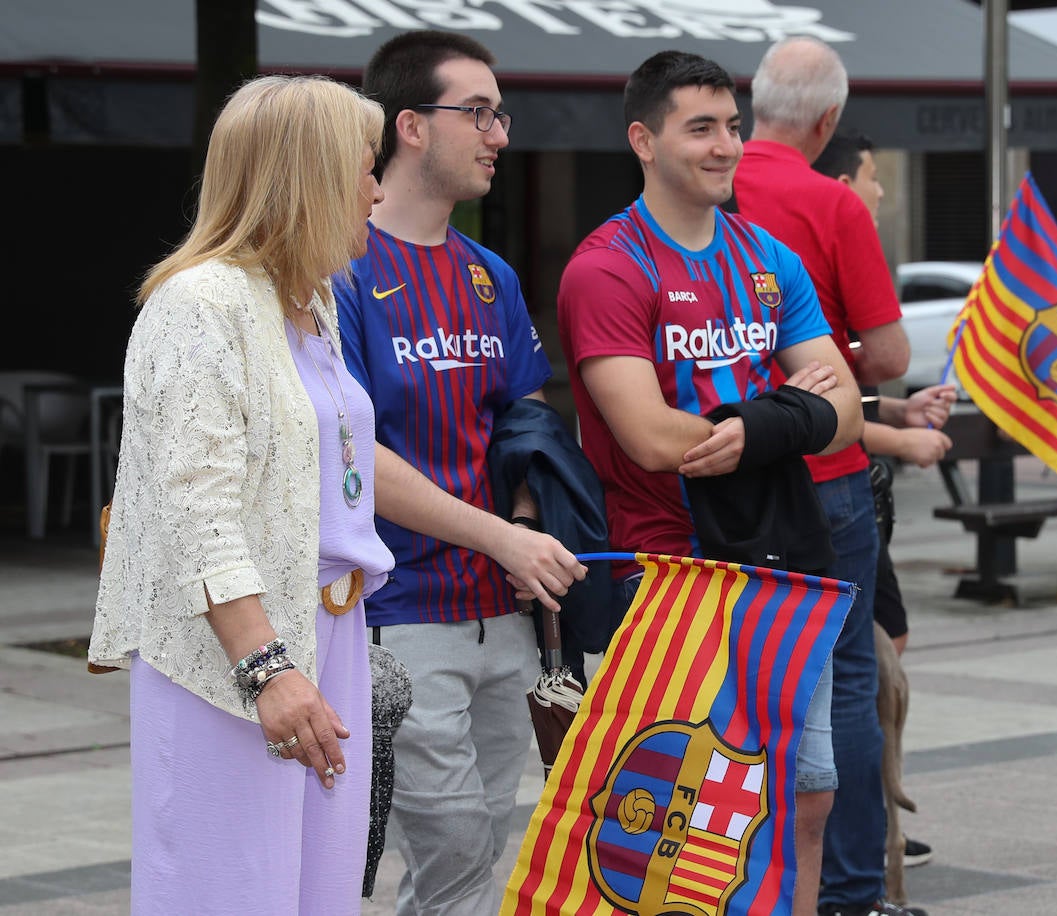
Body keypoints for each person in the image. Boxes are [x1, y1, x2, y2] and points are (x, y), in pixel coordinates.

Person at [557, 50, 863, 916]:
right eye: (702, 128)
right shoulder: (609, 267)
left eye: (733, 125)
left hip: (779, 573)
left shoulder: (769, 258)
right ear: (643, 140)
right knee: (675, 825)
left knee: (805, 800)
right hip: (666, 581)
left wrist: (754, 427)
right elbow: (652, 438)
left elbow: (843, 414)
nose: (727, 145)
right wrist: (783, 413)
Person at [89, 76, 394, 914]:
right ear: (310, 179)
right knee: (230, 894)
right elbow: (200, 512)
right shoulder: (201, 303)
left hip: (322, 632)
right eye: (366, 168)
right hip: (233, 654)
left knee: (318, 895)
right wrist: (268, 670)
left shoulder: (308, 300)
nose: (378, 188)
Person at [334, 31, 587, 916]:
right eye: (476, 112)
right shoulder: (342, 273)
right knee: (453, 860)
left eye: (500, 113)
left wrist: (527, 498)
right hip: (395, 619)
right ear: (408, 125)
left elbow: (519, 417)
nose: (498, 134)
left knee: (474, 856)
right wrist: (501, 535)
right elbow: (349, 456)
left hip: (504, 616)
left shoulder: (492, 277)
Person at [733, 37, 926, 916]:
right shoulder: (831, 203)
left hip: (725, 468)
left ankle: (737, 875)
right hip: (828, 467)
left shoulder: (707, 188)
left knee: (740, 677)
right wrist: (827, 357)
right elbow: (888, 353)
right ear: (829, 121)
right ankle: (849, 891)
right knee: (844, 674)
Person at [811, 128, 955, 875]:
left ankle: (864, 833)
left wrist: (895, 412)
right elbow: (860, 369)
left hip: (842, 480)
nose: (878, 192)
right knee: (859, 666)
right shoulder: (830, 215)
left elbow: (850, 381)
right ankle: (858, 856)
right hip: (838, 487)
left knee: (864, 660)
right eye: (871, 176)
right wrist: (900, 440)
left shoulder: (774, 228)